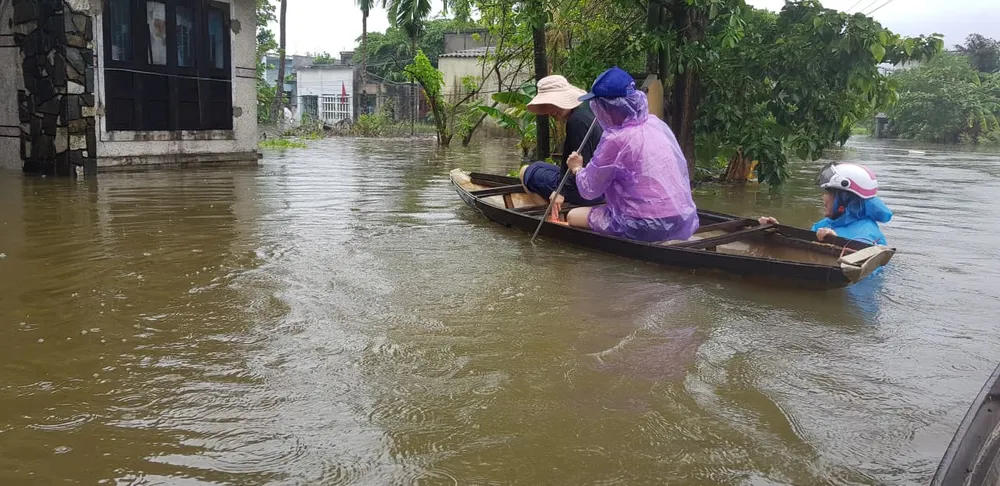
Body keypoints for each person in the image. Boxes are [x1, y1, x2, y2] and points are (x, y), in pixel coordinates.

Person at [562, 67, 700, 243]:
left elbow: (589, 190)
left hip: (643, 225)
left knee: (573, 216)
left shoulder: (615, 139)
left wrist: (577, 168)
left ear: (605, 107)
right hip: (681, 217)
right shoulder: (656, 123)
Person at [519, 75, 605, 207]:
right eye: (547, 105)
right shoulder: (587, 111)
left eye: (555, 103)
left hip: (588, 190)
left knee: (525, 172)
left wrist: (561, 191)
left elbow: (582, 166)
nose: (551, 110)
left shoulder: (576, 121)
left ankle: (551, 218)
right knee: (538, 165)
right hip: (599, 186)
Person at [758, 162, 893, 245]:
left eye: (828, 193)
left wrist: (836, 242)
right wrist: (777, 231)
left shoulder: (867, 234)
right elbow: (803, 247)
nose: (823, 197)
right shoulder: (824, 225)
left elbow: (863, 267)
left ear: (845, 199)